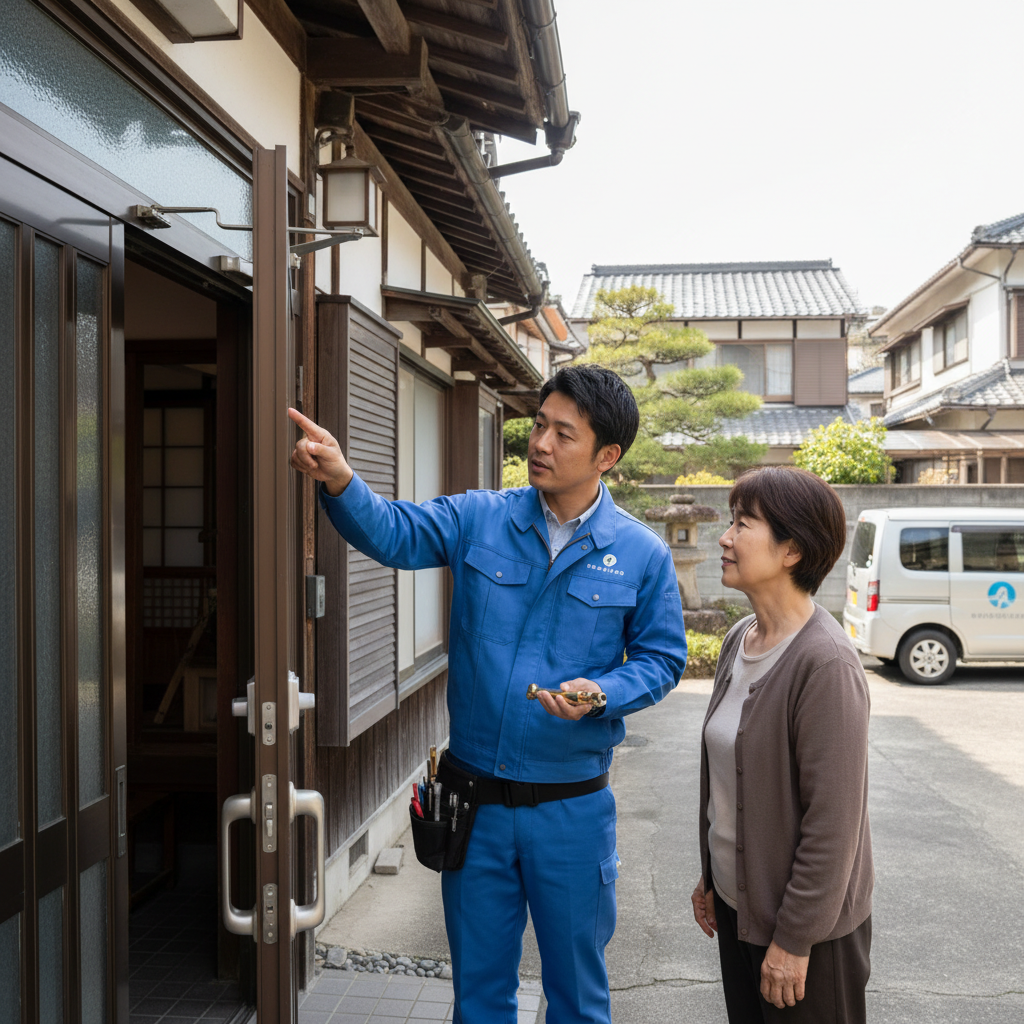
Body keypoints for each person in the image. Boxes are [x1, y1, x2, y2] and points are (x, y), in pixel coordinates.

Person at [288, 364, 687, 1024]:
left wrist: (602, 692)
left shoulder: (642, 554)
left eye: (564, 434)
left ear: (607, 456)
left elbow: (663, 659)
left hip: (572, 809)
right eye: (540, 425)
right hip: (473, 803)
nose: (540, 444)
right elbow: (394, 531)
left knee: (578, 998)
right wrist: (340, 478)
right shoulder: (481, 516)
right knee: (478, 997)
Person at [690, 466, 873, 1024]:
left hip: (805, 934)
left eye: (742, 524)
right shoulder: (738, 640)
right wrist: (713, 875)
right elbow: (733, 783)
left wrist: (795, 940)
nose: (725, 538)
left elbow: (833, 824)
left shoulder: (825, 663)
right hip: (738, 907)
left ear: (792, 550)